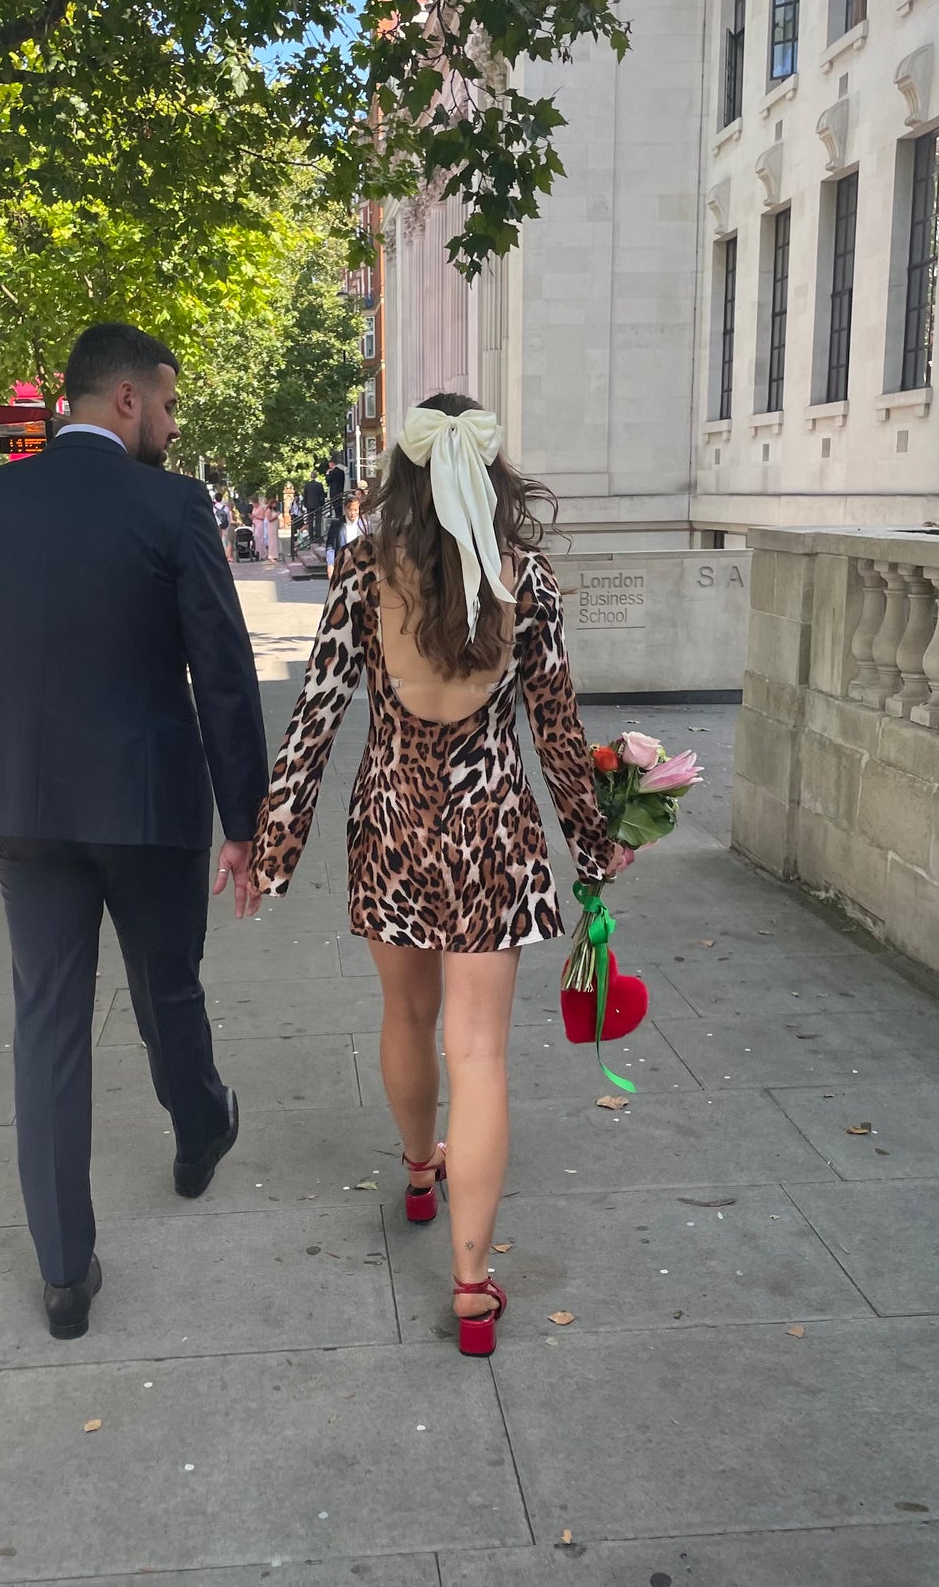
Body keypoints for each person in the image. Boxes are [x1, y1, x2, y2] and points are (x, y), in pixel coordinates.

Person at [0, 323, 267, 1341]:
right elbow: (221, 674)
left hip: (25, 809)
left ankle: (61, 1270)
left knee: (46, 1020)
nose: (173, 427)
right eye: (168, 406)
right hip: (148, 804)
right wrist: (247, 822)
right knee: (166, 984)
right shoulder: (172, 505)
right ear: (124, 400)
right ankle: (196, 1128)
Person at [251, 393, 631, 1357]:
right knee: (482, 1053)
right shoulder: (526, 581)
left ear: (404, 480)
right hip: (493, 833)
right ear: (492, 474)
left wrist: (274, 848)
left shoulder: (361, 578)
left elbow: (314, 722)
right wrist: (594, 844)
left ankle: (420, 1170)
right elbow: (554, 733)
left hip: (389, 824)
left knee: (405, 1018)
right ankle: (471, 1284)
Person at [324, 489, 368, 571]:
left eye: (355, 510)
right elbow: (331, 546)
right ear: (345, 509)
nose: (353, 513)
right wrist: (330, 564)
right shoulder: (336, 525)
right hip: (342, 565)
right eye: (350, 510)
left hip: (360, 566)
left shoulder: (365, 525)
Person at [301, 473, 326, 545]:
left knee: (310, 521)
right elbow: (322, 495)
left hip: (309, 505)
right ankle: (318, 536)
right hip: (318, 505)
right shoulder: (319, 485)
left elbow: (305, 495)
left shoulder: (307, 485)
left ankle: (311, 537)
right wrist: (322, 504)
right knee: (318, 521)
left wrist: (305, 504)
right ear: (316, 476)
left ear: (310, 476)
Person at [325, 454, 347, 528]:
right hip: (340, 492)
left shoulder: (332, 472)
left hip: (334, 493)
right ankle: (340, 521)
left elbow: (327, 481)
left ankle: (338, 523)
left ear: (331, 464)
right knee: (339, 508)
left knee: (335, 509)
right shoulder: (341, 472)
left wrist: (327, 473)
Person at [250, 493, 273, 563]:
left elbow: (263, 517)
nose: (252, 505)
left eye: (253, 503)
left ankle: (262, 554)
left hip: (259, 523)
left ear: (256, 502)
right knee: (255, 539)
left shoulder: (261, 508)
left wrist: (255, 517)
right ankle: (256, 552)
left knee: (260, 539)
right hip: (254, 523)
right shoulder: (254, 508)